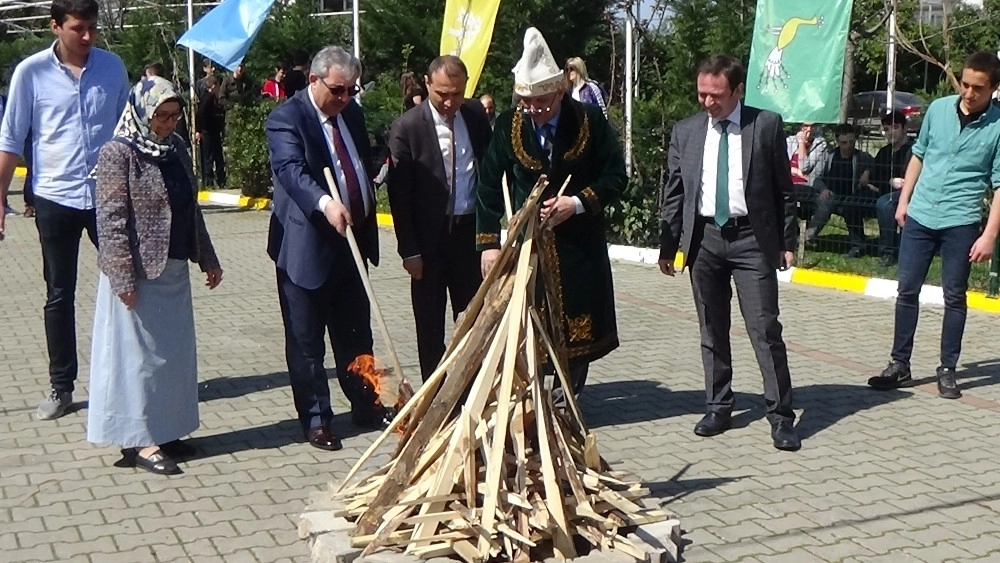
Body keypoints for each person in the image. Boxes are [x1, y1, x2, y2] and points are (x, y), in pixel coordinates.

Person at [658, 54, 801, 451]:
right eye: (702, 93)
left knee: (764, 329)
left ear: (737, 91)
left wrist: (787, 243)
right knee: (711, 327)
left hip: (752, 240)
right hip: (704, 240)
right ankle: (719, 405)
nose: (708, 102)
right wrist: (669, 245)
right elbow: (675, 192)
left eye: (716, 95)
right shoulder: (686, 131)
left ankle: (781, 416)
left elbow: (783, 190)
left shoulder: (765, 125)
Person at [476, 28, 626, 397]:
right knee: (525, 322)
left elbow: (616, 177)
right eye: (527, 103)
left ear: (560, 90)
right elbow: (488, 183)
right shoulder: (510, 124)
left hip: (578, 246)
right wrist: (488, 243)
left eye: (542, 103)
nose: (534, 111)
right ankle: (529, 400)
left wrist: (574, 203)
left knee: (576, 330)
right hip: (526, 247)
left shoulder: (590, 120)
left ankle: (566, 400)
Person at [0, 0, 130, 420]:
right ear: (56, 26)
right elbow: (11, 139)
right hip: (56, 197)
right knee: (59, 293)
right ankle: (61, 387)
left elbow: (130, 131)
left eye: (93, 28)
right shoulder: (31, 73)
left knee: (129, 286)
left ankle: (130, 381)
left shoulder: (112, 68)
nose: (88, 37)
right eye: (79, 29)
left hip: (109, 197)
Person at [89, 76, 223, 476]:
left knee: (173, 359)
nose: (167, 124)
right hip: (137, 274)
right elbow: (109, 221)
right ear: (142, 112)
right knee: (138, 361)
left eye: (174, 116)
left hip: (174, 266)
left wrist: (208, 258)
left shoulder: (176, 148)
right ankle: (140, 441)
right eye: (160, 116)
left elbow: (190, 209)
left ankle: (166, 430)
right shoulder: (118, 152)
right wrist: (122, 278)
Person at [265, 45, 393, 451]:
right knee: (306, 343)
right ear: (314, 81)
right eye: (338, 90)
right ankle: (318, 420)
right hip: (307, 247)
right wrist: (326, 203)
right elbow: (291, 171)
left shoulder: (350, 113)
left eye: (351, 90)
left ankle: (368, 404)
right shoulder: (287, 118)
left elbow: (356, 163)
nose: (344, 99)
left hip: (352, 245)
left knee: (356, 333)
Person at [867, 51, 1000, 399]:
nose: (969, 93)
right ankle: (899, 364)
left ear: (994, 89)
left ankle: (948, 369)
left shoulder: (999, 126)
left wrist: (989, 235)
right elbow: (919, 154)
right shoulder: (938, 109)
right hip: (920, 216)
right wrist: (905, 200)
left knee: (954, 296)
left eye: (978, 88)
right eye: (965, 84)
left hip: (961, 220)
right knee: (906, 290)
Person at [387, 55, 493, 381]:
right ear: (428, 84)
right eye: (442, 94)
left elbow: (490, 172)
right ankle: (434, 395)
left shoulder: (474, 114)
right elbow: (399, 196)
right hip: (429, 242)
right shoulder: (408, 127)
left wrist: (491, 236)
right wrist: (410, 250)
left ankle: (470, 389)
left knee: (473, 318)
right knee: (430, 324)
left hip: (468, 235)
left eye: (457, 94)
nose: (449, 102)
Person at [809, 124, 874, 256]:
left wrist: (868, 171)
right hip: (830, 195)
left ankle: (858, 246)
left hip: (851, 196)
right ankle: (808, 237)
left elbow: (876, 165)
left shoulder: (862, 157)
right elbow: (815, 178)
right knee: (827, 202)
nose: (848, 146)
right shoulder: (829, 156)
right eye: (844, 142)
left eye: (852, 142)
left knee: (852, 205)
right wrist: (823, 189)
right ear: (838, 142)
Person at [871, 110, 914, 266]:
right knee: (852, 201)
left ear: (904, 128)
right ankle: (859, 244)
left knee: (885, 204)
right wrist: (889, 181)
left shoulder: (913, 150)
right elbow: (875, 177)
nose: (890, 132)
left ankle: (888, 252)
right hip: (884, 191)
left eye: (895, 127)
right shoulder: (884, 152)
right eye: (887, 129)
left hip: (908, 194)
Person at [196, 76, 226, 188]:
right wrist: (199, 130)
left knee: (218, 156)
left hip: (214, 130)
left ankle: (221, 179)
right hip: (207, 130)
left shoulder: (214, 98)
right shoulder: (207, 98)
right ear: (213, 86)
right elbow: (200, 115)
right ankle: (209, 181)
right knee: (208, 156)